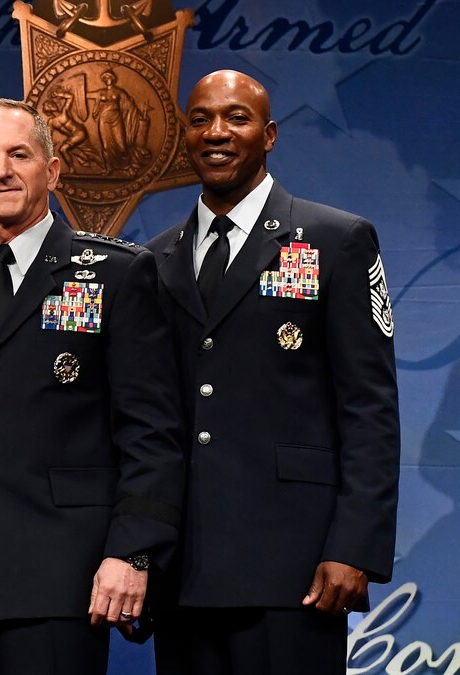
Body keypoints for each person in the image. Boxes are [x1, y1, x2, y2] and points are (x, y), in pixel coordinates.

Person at [0, 98, 184, 675]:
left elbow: (152, 431)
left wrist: (133, 550)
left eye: (19, 155)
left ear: (52, 171)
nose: (2, 170)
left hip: (62, 581)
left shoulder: (116, 274)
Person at [145, 70, 400, 675]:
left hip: (296, 565)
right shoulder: (154, 260)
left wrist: (354, 546)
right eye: (201, 119)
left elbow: (370, 408)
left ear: (270, 135)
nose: (217, 132)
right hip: (183, 569)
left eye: (237, 118)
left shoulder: (337, 240)